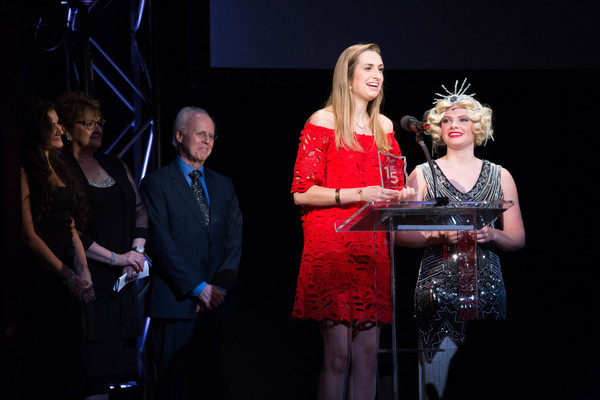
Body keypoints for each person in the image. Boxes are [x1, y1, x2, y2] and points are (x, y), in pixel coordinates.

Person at [291, 43, 415, 400]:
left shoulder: (385, 126)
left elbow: (391, 186)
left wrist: (401, 196)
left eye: (380, 69)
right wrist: (360, 193)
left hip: (371, 247)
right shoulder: (323, 120)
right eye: (368, 68)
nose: (377, 75)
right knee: (339, 354)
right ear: (348, 77)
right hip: (331, 245)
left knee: (367, 356)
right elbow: (302, 192)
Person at [395, 80, 526, 399]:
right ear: (437, 128)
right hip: (437, 296)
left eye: (463, 118)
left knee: (487, 380)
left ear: (477, 125)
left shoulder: (501, 175)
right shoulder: (422, 174)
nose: (454, 124)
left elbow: (517, 237)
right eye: (447, 119)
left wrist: (492, 233)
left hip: (488, 292)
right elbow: (399, 234)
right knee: (437, 380)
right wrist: (440, 234)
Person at [140, 106, 243, 400]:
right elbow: (160, 244)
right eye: (200, 133)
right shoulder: (156, 183)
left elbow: (234, 240)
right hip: (175, 304)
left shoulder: (224, 184)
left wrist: (218, 288)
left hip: (216, 307)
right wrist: (199, 289)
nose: (207, 141)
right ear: (179, 135)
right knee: (171, 389)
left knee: (208, 387)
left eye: (211, 136)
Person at [55, 91, 148, 400]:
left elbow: (139, 210)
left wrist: (137, 253)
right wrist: (116, 258)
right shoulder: (60, 169)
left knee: (115, 374)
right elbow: (68, 229)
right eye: (87, 122)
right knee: (88, 377)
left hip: (120, 286)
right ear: (66, 129)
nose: (97, 128)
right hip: (87, 279)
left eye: (100, 122)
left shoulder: (115, 164)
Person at [19, 97, 95, 400]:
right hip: (46, 280)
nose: (60, 130)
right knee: (52, 367)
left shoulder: (60, 168)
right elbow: (26, 235)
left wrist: (84, 270)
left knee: (74, 362)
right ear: (37, 128)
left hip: (69, 279)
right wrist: (68, 276)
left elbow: (71, 227)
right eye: (52, 125)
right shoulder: (24, 172)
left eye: (58, 124)